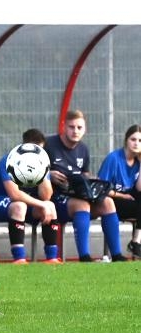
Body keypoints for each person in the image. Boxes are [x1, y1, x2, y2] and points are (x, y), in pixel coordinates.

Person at [45, 110, 127, 262]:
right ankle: (84, 256)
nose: (75, 131)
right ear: (64, 126)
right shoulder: (49, 145)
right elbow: (32, 172)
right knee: (81, 205)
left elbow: (85, 173)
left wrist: (89, 179)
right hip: (55, 198)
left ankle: (117, 255)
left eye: (79, 127)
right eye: (72, 127)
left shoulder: (83, 149)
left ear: (85, 129)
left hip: (78, 194)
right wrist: (48, 175)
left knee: (108, 203)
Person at [0, 129, 60, 264]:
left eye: (39, 150)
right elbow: (14, 194)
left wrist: (43, 173)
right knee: (19, 206)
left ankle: (52, 258)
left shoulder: (41, 161)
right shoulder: (9, 161)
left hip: (22, 203)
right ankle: (19, 258)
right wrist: (41, 204)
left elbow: (46, 196)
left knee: (50, 206)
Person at [97, 124, 141, 258]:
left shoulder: (138, 161)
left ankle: (136, 241)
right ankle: (133, 245)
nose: (136, 143)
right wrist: (123, 196)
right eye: (133, 139)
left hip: (130, 199)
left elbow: (139, 188)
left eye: (140, 141)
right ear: (126, 140)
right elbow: (101, 187)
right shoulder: (114, 158)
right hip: (113, 198)